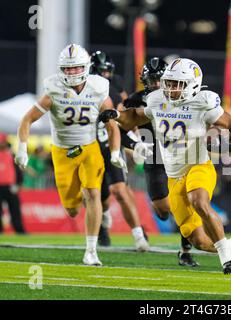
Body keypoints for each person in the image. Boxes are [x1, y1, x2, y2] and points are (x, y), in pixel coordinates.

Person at [99, 58, 231, 278]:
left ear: (193, 84)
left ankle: (225, 257)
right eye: (169, 82)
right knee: (198, 240)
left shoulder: (203, 101)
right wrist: (117, 116)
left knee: (199, 200)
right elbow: (135, 118)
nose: (170, 88)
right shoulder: (157, 99)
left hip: (198, 164)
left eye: (178, 84)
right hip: (173, 175)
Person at [15, 44, 127, 266]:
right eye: (67, 69)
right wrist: (21, 149)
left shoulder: (98, 88)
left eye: (76, 68)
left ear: (85, 68)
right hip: (62, 151)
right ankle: (92, 214)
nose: (72, 73)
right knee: (73, 209)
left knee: (93, 193)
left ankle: (92, 251)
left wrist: (115, 152)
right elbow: (27, 119)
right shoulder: (53, 90)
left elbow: (112, 125)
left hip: (89, 148)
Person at [123, 56, 199, 266]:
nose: (156, 84)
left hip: (178, 155)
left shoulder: (181, 97)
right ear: (144, 80)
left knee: (182, 204)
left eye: (160, 79)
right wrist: (134, 145)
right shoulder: (136, 100)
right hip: (154, 156)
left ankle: (185, 250)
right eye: (152, 79)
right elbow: (121, 129)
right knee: (163, 209)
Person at [90, 50, 150, 251]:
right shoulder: (82, 93)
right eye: (101, 72)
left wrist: (135, 142)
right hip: (91, 150)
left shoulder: (114, 90)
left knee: (121, 190)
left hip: (110, 146)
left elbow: (123, 119)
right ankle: (101, 225)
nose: (105, 75)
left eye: (107, 72)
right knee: (100, 199)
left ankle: (139, 234)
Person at [0, 132, 26, 234]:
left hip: (10, 186)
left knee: (15, 209)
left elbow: (18, 171)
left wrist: (18, 183)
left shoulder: (11, 154)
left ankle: (19, 230)